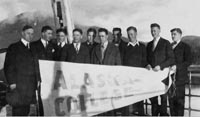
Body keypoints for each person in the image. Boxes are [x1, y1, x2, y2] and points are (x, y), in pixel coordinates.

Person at [4, 25, 39, 116]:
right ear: (22, 33)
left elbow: (36, 66)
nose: (30, 36)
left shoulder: (33, 48)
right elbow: (8, 66)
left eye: (32, 34)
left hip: (30, 86)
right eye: (28, 33)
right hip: (18, 85)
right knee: (18, 110)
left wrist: (37, 80)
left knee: (26, 110)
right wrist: (12, 83)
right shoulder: (14, 47)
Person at [146, 23, 175, 116]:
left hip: (163, 77)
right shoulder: (149, 44)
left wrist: (161, 66)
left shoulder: (166, 43)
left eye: (154, 30)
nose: (153, 32)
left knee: (163, 100)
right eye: (151, 31)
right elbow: (146, 59)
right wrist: (148, 65)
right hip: (152, 77)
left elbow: (171, 59)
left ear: (159, 31)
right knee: (153, 99)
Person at [91, 28, 121, 116]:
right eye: (99, 36)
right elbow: (92, 64)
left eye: (103, 36)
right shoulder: (95, 49)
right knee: (100, 105)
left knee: (110, 105)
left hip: (110, 80)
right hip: (98, 81)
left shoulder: (114, 49)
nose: (101, 38)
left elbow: (118, 65)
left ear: (107, 36)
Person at [120, 26, 147, 116]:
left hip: (139, 78)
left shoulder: (142, 47)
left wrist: (147, 65)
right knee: (126, 101)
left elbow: (145, 61)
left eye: (131, 34)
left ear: (136, 34)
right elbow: (121, 63)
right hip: (127, 79)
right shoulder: (124, 48)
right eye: (128, 34)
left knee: (140, 100)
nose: (130, 36)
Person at [30, 25, 55, 116]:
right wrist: (37, 78)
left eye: (51, 34)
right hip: (39, 78)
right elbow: (33, 63)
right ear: (43, 34)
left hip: (50, 78)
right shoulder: (33, 45)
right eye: (48, 33)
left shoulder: (53, 45)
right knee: (41, 99)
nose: (50, 36)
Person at [168, 28, 191, 116]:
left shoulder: (185, 46)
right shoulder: (169, 46)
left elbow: (188, 61)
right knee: (171, 103)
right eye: (172, 34)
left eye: (174, 34)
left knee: (180, 104)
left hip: (180, 79)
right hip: (170, 79)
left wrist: (177, 66)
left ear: (180, 35)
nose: (172, 36)